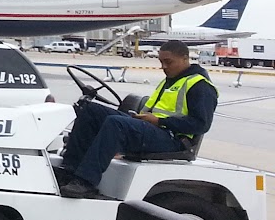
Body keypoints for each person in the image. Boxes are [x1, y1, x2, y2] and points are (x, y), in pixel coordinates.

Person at [57, 40, 217, 197]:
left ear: (185, 58)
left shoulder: (200, 86)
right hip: (153, 129)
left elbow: (201, 124)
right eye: (161, 62)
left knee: (116, 124)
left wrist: (160, 121)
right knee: (90, 110)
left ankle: (86, 181)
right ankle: (70, 170)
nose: (164, 67)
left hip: (173, 139)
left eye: (168, 62)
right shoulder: (171, 81)